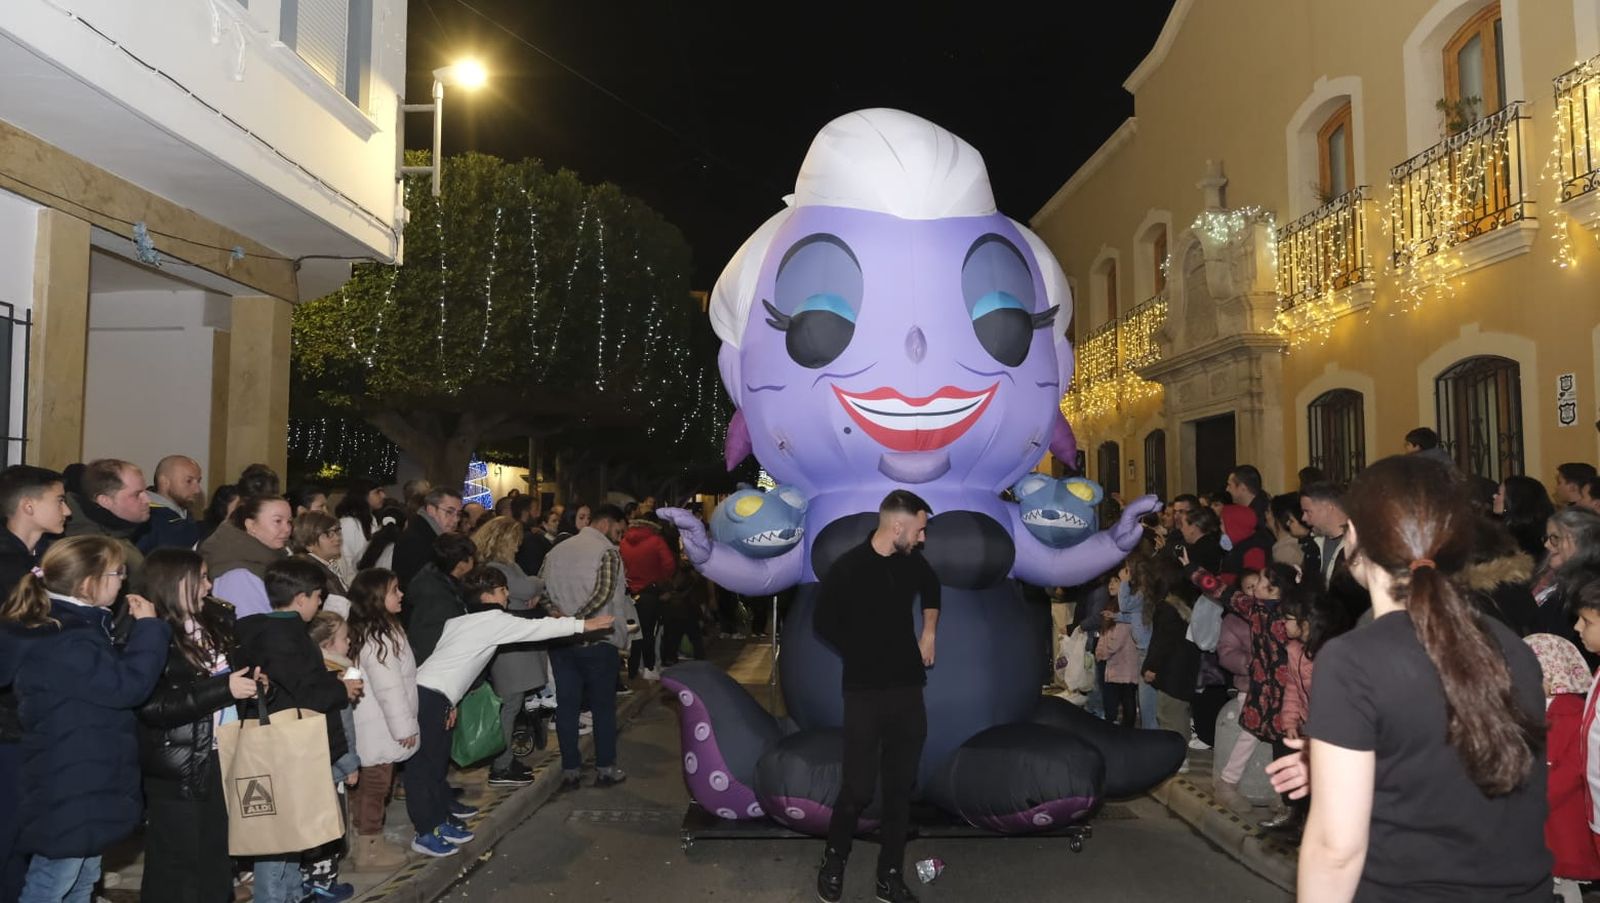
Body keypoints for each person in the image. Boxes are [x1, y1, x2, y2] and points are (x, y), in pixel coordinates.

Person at [1267, 455, 1550, 902]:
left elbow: (1336, 851)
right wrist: (1341, 757)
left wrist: (1344, 761)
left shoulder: (1354, 659)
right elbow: (1460, 766)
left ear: (1354, 538)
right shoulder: (1511, 646)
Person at [0, 535, 169, 903]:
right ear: (89, 583)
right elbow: (126, 687)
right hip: (71, 775)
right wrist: (149, 629)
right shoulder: (67, 638)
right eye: (117, 573)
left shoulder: (73, 626)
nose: (123, 580)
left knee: (83, 876)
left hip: (81, 771)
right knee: (54, 880)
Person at [406, 567, 612, 857]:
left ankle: (439, 820)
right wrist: (584, 625)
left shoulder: (460, 620)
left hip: (434, 694)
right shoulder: (493, 621)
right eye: (503, 590)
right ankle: (425, 832)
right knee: (423, 769)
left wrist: (450, 702)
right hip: (429, 695)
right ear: (488, 595)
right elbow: (538, 628)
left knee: (436, 764)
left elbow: (449, 663)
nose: (507, 595)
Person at [812, 490, 940, 903]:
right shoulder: (849, 568)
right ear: (898, 526)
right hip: (864, 693)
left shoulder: (911, 562)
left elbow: (932, 587)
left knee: (901, 789)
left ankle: (889, 877)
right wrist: (860, 650)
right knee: (858, 789)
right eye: (919, 530)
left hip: (908, 691)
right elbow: (822, 621)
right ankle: (834, 859)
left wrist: (929, 632)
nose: (922, 538)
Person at [135, 548, 264, 903]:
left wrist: (252, 682)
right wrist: (224, 689)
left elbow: (232, 672)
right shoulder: (150, 632)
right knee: (178, 866)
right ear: (175, 583)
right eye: (202, 578)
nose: (209, 586)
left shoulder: (215, 621)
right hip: (179, 765)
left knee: (216, 857)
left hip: (222, 752)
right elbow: (152, 705)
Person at [232, 558, 361, 903]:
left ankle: (291, 894)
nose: (319, 604)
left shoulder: (257, 629)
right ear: (302, 598)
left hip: (276, 740)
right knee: (279, 834)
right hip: (288, 746)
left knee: (288, 832)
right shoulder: (286, 637)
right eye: (318, 597)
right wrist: (341, 689)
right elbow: (307, 693)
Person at [0, 466, 69, 900]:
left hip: (34, 721)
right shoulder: (9, 570)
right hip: (9, 722)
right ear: (28, 506)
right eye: (58, 500)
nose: (67, 510)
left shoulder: (42, 561)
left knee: (22, 840)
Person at [539, 504, 634, 791]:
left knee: (567, 706)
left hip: (561, 642)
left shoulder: (555, 551)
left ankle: (570, 770)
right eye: (619, 530)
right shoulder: (607, 552)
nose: (619, 537)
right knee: (603, 707)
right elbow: (603, 594)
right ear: (605, 524)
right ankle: (605, 768)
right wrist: (579, 622)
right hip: (597, 640)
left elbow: (541, 589)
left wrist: (559, 617)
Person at [344, 568, 417, 870]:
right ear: (376, 597)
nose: (401, 594)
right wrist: (405, 728)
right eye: (394, 590)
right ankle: (369, 851)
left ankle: (362, 843)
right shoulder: (380, 638)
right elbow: (390, 689)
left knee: (366, 788)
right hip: (380, 728)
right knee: (376, 788)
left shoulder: (370, 631)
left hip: (372, 725)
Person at [472, 516, 550, 786]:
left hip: (516, 642)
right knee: (510, 704)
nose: (518, 546)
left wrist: (532, 588)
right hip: (510, 646)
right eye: (515, 540)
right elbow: (527, 587)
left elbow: (526, 588)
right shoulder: (496, 568)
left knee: (513, 704)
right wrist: (536, 585)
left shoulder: (505, 565)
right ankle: (501, 767)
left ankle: (505, 759)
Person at [1523, 632, 1600, 899]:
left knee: (1563, 881)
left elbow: (1573, 769)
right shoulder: (1525, 710)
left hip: (1558, 814)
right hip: (1534, 812)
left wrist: (1535, 798)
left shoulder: (1572, 714)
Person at [305, 611, 358, 900]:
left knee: (313, 823)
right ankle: (323, 884)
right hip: (334, 763)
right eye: (344, 638)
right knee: (329, 826)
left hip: (314, 762)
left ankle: (308, 880)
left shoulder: (311, 675)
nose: (349, 642)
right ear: (326, 645)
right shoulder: (334, 680)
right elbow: (340, 727)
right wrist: (350, 763)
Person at [200, 495, 292, 618]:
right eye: (278, 521)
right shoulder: (237, 576)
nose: (287, 529)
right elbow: (255, 626)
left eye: (289, 521)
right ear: (251, 525)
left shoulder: (273, 557)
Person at [64, 458, 152, 582]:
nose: (147, 500)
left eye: (145, 492)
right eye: (136, 494)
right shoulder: (93, 550)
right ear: (105, 501)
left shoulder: (116, 534)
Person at [403, 533, 476, 664]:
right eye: (472, 558)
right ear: (461, 565)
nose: (475, 562)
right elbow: (431, 643)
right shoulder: (439, 599)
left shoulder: (432, 579)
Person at [619, 512, 675, 680]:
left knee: (633, 631)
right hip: (650, 592)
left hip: (629, 593)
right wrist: (661, 579)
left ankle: (633, 669)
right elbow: (669, 565)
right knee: (649, 631)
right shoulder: (656, 541)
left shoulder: (623, 541)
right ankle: (649, 668)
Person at [393, 488, 462, 588]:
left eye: (459, 514)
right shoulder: (418, 540)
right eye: (449, 512)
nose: (456, 520)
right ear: (431, 510)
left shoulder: (425, 531)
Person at [139, 454, 204, 553]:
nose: (197, 490)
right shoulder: (146, 521)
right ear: (164, 482)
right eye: (189, 481)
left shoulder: (185, 516)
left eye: (198, 481)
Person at [292, 510, 354, 608]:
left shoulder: (329, 562)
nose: (337, 538)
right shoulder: (310, 573)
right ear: (309, 543)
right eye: (328, 534)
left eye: (337, 531)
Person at [1498, 475, 1558, 562]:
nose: (1494, 497)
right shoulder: (1543, 527)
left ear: (1513, 501)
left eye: (1499, 494)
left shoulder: (1517, 538)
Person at [335, 479, 386, 573]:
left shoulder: (372, 519)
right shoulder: (348, 523)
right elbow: (346, 561)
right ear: (363, 495)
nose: (383, 496)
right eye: (377, 492)